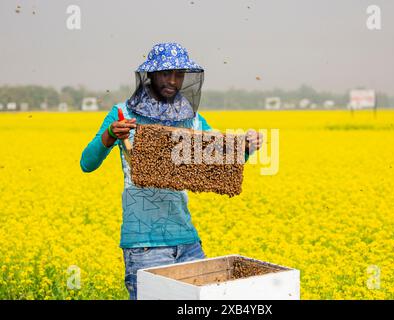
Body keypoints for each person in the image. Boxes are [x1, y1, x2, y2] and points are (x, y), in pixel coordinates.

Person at [80, 42, 263, 300]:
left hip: (187, 240)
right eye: (166, 73)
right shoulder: (123, 112)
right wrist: (110, 135)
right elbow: (87, 163)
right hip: (144, 245)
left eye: (179, 74)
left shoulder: (191, 118)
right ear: (152, 75)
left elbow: (220, 160)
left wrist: (246, 146)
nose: (173, 81)